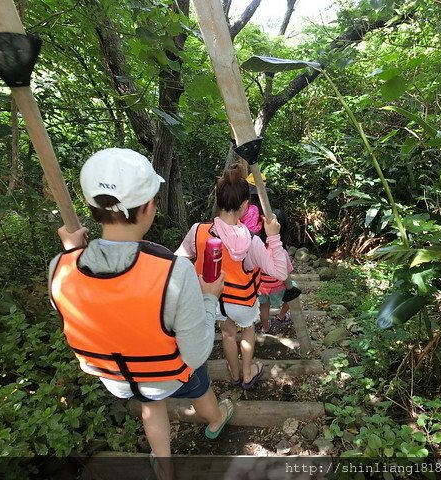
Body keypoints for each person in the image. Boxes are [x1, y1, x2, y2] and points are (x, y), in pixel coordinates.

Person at [48, 148, 233, 480]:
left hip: (119, 380)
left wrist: (73, 252)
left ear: (92, 208)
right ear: (149, 207)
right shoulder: (173, 271)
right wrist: (208, 298)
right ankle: (217, 419)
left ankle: (163, 464)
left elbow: (88, 293)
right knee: (198, 386)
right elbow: (197, 352)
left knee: (150, 401)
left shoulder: (59, 269)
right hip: (169, 372)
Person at [176, 164, 289, 390]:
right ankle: (247, 374)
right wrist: (274, 237)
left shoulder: (197, 230)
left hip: (213, 301)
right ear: (245, 205)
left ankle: (235, 373)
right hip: (242, 302)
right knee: (247, 330)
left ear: (218, 201)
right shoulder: (252, 241)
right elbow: (280, 272)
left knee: (227, 334)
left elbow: (178, 259)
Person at [239, 174, 300, 334]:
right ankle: (281, 315)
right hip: (278, 286)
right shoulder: (281, 252)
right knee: (294, 290)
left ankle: (265, 327)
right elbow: (286, 272)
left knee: (264, 305)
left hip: (261, 286)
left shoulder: (244, 209)